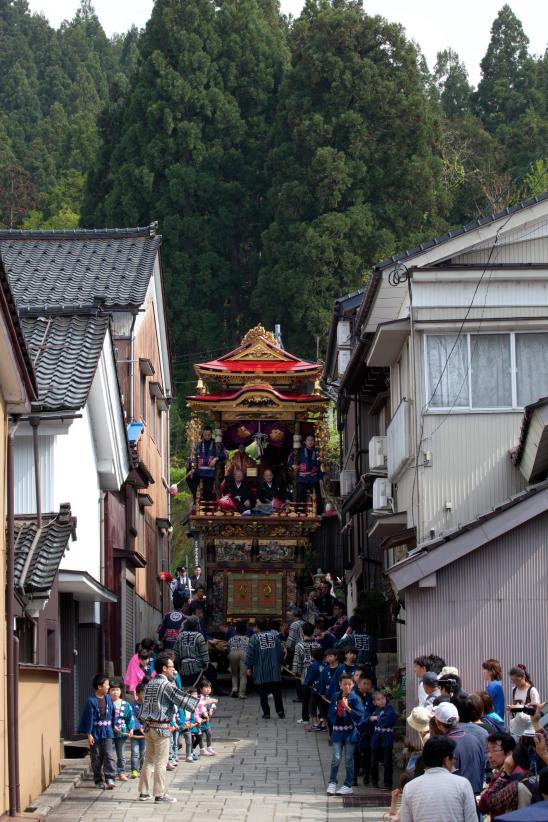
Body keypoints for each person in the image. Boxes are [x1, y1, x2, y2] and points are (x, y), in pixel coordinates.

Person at [138, 652, 199, 803]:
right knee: (160, 761)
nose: (174, 670)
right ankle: (160, 794)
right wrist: (198, 703)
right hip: (161, 728)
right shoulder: (166, 685)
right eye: (172, 667)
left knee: (149, 760)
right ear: (164, 668)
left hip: (148, 726)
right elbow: (181, 699)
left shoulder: (150, 683)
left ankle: (144, 793)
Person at [398, 736, 478, 822]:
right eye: (453, 759)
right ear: (446, 760)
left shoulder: (410, 787)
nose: (454, 762)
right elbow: (472, 819)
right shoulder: (462, 784)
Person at [433, 701, 486, 794]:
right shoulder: (475, 740)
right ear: (458, 719)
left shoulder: (442, 746)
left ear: (437, 723)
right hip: (475, 797)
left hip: (454, 799)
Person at [326, 673, 365, 796]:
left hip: (349, 732)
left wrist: (347, 708)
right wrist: (336, 719)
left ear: (353, 684)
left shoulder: (355, 698)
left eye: (349, 684)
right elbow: (330, 713)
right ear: (340, 684)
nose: (347, 686)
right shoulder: (335, 696)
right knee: (336, 758)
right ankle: (332, 782)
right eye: (344, 684)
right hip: (338, 731)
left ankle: (348, 784)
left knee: (349, 759)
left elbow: (360, 715)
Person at [79, 674, 117, 790]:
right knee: (96, 757)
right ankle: (98, 780)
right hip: (95, 731)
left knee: (109, 755)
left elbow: (113, 714)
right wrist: (89, 734)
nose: (108, 687)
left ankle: (110, 777)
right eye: (106, 684)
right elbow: (88, 718)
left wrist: (114, 726)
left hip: (108, 731)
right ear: (100, 686)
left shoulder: (108, 698)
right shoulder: (91, 701)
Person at [245, 616, 285, 720]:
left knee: (262, 691)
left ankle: (266, 713)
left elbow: (250, 654)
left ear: (257, 626)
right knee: (276, 691)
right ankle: (280, 711)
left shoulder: (254, 638)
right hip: (274, 668)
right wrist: (281, 663)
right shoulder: (275, 635)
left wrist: (249, 667)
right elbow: (281, 652)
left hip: (260, 669)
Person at [188, 426, 226, 502]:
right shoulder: (199, 444)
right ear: (203, 434)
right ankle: (195, 496)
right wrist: (192, 468)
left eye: (209, 435)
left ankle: (206, 510)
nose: (207, 436)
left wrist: (216, 458)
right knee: (189, 477)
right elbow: (194, 457)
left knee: (207, 493)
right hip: (199, 471)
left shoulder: (217, 444)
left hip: (210, 473)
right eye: (205, 435)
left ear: (211, 434)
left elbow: (224, 455)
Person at [288, 433, 323, 514]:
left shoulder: (317, 452)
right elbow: (290, 458)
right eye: (308, 440)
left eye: (312, 440)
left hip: (314, 477)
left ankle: (318, 513)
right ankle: (299, 513)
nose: (310, 442)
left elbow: (321, 466)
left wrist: (320, 478)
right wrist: (293, 465)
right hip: (302, 477)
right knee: (300, 495)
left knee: (317, 496)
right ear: (305, 442)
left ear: (314, 442)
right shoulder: (299, 451)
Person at [292, 622, 320, 723]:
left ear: (302, 632)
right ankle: (319, 716)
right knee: (317, 696)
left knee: (306, 697)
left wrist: (296, 672)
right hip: (317, 673)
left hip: (305, 673)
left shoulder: (299, 645)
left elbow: (297, 661)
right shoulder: (318, 644)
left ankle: (305, 718)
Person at [336, 615, 378, 682]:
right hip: (368, 668)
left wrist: (346, 634)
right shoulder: (369, 638)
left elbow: (337, 645)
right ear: (362, 625)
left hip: (354, 670)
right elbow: (374, 660)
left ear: (351, 627)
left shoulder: (349, 637)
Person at [369, 691, 397, 790]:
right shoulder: (375, 710)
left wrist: (377, 718)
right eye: (378, 699)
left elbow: (387, 719)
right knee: (374, 761)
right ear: (374, 702)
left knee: (387, 761)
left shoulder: (390, 709)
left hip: (386, 737)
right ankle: (374, 781)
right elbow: (370, 722)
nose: (381, 701)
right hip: (376, 737)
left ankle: (388, 783)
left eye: (383, 698)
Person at [173, 615, 210, 688]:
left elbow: (175, 652)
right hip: (197, 667)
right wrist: (206, 662)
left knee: (185, 687)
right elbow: (204, 652)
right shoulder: (199, 636)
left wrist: (176, 663)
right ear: (196, 625)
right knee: (196, 688)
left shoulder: (180, 636)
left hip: (183, 668)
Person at [110, 678, 135, 781]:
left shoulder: (126, 704)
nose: (115, 692)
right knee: (109, 754)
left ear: (120, 691)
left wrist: (131, 729)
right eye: (112, 690)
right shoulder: (106, 703)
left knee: (121, 754)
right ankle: (110, 773)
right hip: (109, 732)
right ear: (109, 691)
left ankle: (121, 772)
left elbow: (130, 718)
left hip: (122, 732)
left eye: (117, 690)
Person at [304, 646, 325, 731]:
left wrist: (307, 683)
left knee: (312, 706)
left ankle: (315, 723)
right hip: (323, 689)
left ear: (313, 656)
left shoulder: (313, 666)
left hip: (315, 689)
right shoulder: (325, 665)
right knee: (322, 706)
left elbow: (309, 678)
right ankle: (324, 723)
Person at [228, 621, 249, 699]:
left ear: (236, 630)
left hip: (233, 653)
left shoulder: (231, 639)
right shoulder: (248, 639)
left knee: (234, 674)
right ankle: (241, 693)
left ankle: (234, 689)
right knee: (243, 675)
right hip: (244, 654)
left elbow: (228, 647)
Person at [130, 681, 147, 779]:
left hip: (145, 733)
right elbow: (132, 717)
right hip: (135, 733)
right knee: (135, 752)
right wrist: (139, 727)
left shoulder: (148, 705)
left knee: (143, 752)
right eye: (143, 693)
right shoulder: (132, 705)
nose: (145, 695)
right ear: (137, 693)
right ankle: (134, 770)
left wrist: (144, 727)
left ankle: (143, 769)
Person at [197, 679, 218, 756]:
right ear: (201, 689)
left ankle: (209, 747)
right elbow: (200, 706)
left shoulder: (209, 697)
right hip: (200, 719)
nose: (208, 689)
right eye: (206, 687)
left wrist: (212, 709)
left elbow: (213, 705)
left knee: (209, 733)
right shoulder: (199, 698)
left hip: (207, 720)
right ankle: (202, 749)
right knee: (200, 735)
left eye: (209, 687)